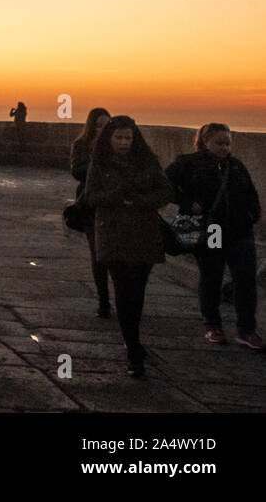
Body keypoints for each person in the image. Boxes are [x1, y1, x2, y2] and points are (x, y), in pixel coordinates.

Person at [81, 115, 173, 377]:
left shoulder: (147, 161)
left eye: (128, 138)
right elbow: (90, 196)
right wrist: (118, 196)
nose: (123, 143)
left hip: (143, 232)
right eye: (119, 138)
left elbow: (166, 192)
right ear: (109, 139)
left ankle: (133, 341)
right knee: (123, 290)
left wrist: (141, 201)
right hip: (113, 234)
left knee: (137, 291)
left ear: (135, 139)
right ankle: (133, 348)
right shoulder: (99, 163)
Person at [166, 123, 262, 350]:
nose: (224, 148)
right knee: (212, 278)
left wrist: (251, 215)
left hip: (240, 232)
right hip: (211, 231)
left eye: (228, 143)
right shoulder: (188, 164)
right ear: (205, 141)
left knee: (246, 281)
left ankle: (247, 330)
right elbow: (163, 185)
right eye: (219, 143)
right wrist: (187, 203)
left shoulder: (236, 166)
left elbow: (251, 194)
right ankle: (213, 325)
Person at [71, 107, 112, 317]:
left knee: (116, 256)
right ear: (91, 126)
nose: (103, 129)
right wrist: (97, 164)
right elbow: (76, 171)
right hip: (90, 206)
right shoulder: (82, 145)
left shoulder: (119, 145)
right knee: (98, 255)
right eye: (98, 125)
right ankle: (103, 301)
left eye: (106, 125)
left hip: (114, 206)